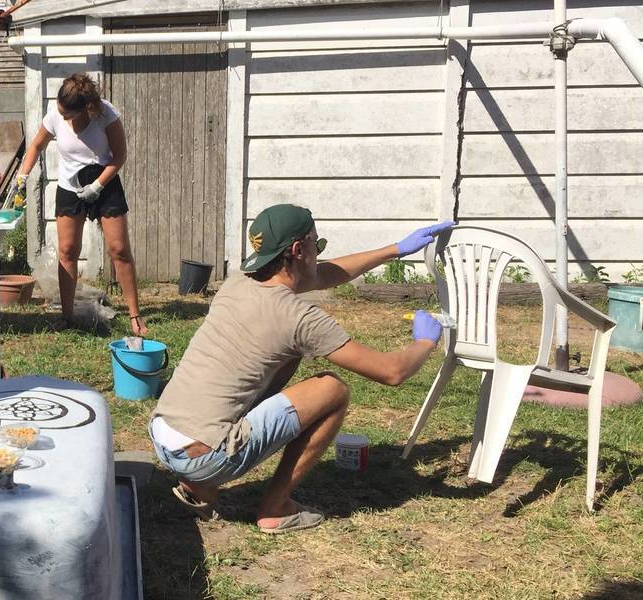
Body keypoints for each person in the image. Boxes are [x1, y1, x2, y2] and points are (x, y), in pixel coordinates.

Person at [150, 204, 455, 533]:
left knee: (286, 357)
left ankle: (197, 487)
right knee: (333, 390)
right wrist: (425, 342)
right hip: (204, 455)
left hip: (164, 436)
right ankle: (275, 508)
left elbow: (323, 275)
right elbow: (392, 372)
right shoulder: (297, 318)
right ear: (298, 250)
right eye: (317, 245)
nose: (319, 253)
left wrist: (394, 250)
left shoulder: (237, 283)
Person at [16, 73, 147, 335]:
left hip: (104, 183)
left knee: (119, 249)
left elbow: (119, 156)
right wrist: (22, 174)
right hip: (70, 187)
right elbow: (36, 146)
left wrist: (98, 185)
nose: (62, 118)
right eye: (61, 112)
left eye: (68, 114)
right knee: (67, 251)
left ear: (86, 107)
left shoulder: (105, 114)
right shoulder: (55, 114)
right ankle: (67, 316)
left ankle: (135, 315)